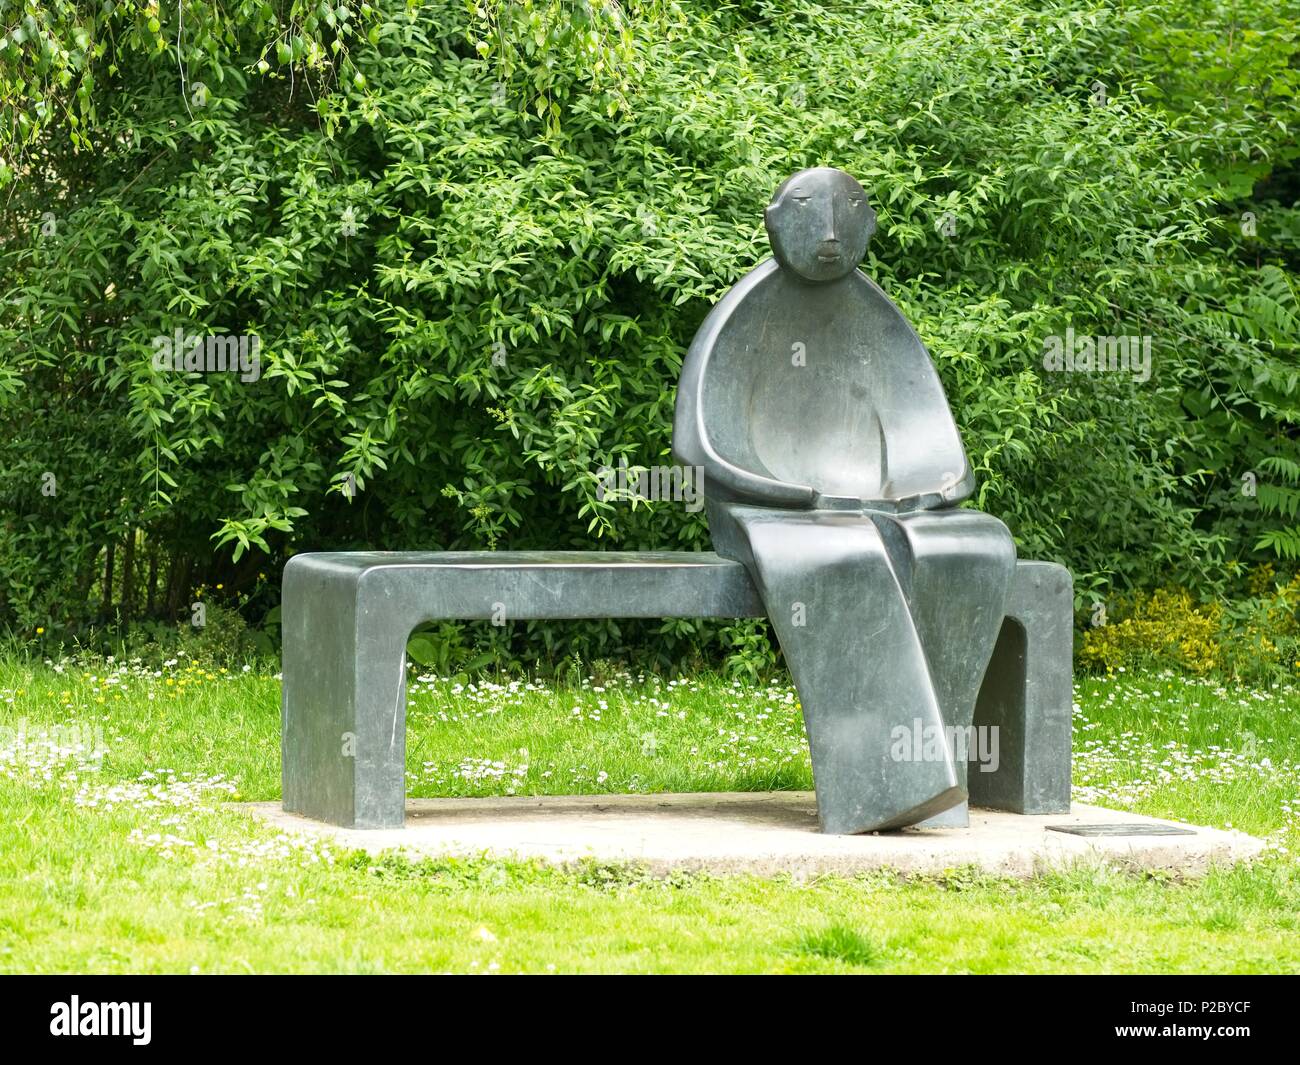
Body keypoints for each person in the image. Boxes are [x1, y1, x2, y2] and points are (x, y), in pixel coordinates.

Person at [673, 167, 1015, 832]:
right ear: (774, 221)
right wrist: (802, 493)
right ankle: (882, 786)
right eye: (808, 211)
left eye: (847, 211)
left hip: (866, 501)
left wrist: (925, 491)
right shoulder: (743, 313)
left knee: (970, 544)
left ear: (868, 223)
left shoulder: (876, 316)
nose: (830, 232)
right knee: (840, 553)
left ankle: (933, 778)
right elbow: (707, 443)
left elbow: (930, 439)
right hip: (760, 504)